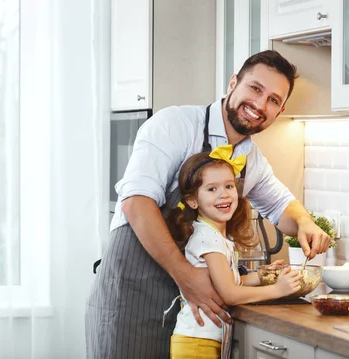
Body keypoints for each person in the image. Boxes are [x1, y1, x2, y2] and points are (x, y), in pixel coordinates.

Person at [85, 50, 332, 359]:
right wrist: (187, 277)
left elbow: (283, 206)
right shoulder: (176, 124)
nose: (259, 104)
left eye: (272, 100)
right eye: (255, 89)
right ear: (233, 83)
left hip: (192, 321)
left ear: (280, 111)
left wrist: (306, 224)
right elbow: (136, 203)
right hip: (133, 299)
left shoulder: (250, 159)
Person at [166, 148, 301, 358]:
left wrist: (262, 276)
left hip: (200, 340)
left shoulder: (215, 235)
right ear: (193, 201)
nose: (224, 194)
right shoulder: (208, 239)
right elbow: (229, 293)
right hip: (196, 344)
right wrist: (278, 290)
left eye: (229, 186)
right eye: (212, 189)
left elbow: (226, 283)